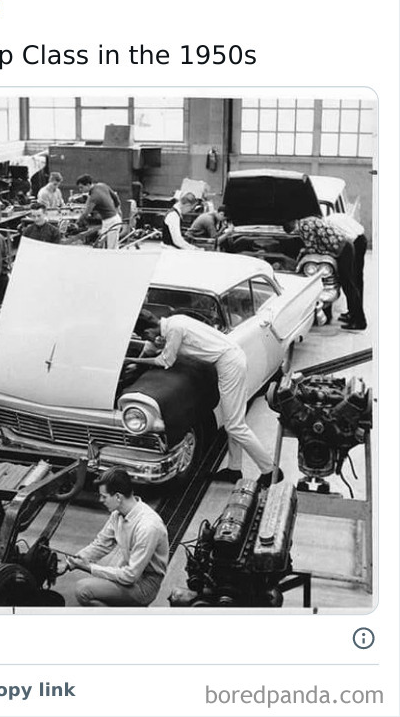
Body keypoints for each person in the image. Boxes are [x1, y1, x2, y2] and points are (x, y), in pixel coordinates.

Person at [144, 314, 280, 487]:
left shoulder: (174, 329)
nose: (147, 339)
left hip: (229, 364)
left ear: (149, 329)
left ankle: (270, 470)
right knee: (235, 421)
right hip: (230, 359)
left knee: (235, 426)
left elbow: (165, 361)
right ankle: (234, 469)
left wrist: (133, 359)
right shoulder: (175, 320)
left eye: (145, 335)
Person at [67, 469, 169, 607]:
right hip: (131, 570)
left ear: (118, 497)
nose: (100, 500)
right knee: (106, 573)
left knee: (83, 589)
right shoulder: (117, 514)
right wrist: (70, 563)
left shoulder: (148, 527)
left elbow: (130, 576)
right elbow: (101, 544)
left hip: (145, 584)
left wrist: (89, 567)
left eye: (104, 496)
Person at [283, 216, 366, 330]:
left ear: (294, 228)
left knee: (349, 285)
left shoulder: (304, 227)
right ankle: (352, 315)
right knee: (347, 284)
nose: (297, 234)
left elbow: (312, 247)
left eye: (295, 232)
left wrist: (302, 253)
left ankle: (360, 321)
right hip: (344, 247)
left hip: (343, 249)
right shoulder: (308, 220)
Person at [325, 212, 367, 323]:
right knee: (355, 280)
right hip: (360, 239)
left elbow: (347, 239)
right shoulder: (332, 218)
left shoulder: (328, 224)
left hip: (355, 242)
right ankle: (353, 312)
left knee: (352, 281)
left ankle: (357, 318)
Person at [75, 174, 123, 249]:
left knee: (111, 248)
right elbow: (115, 197)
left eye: (81, 187)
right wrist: (118, 210)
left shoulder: (94, 197)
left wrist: (77, 223)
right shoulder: (102, 185)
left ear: (88, 185)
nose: (80, 190)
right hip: (112, 219)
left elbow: (86, 213)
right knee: (103, 245)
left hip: (111, 222)